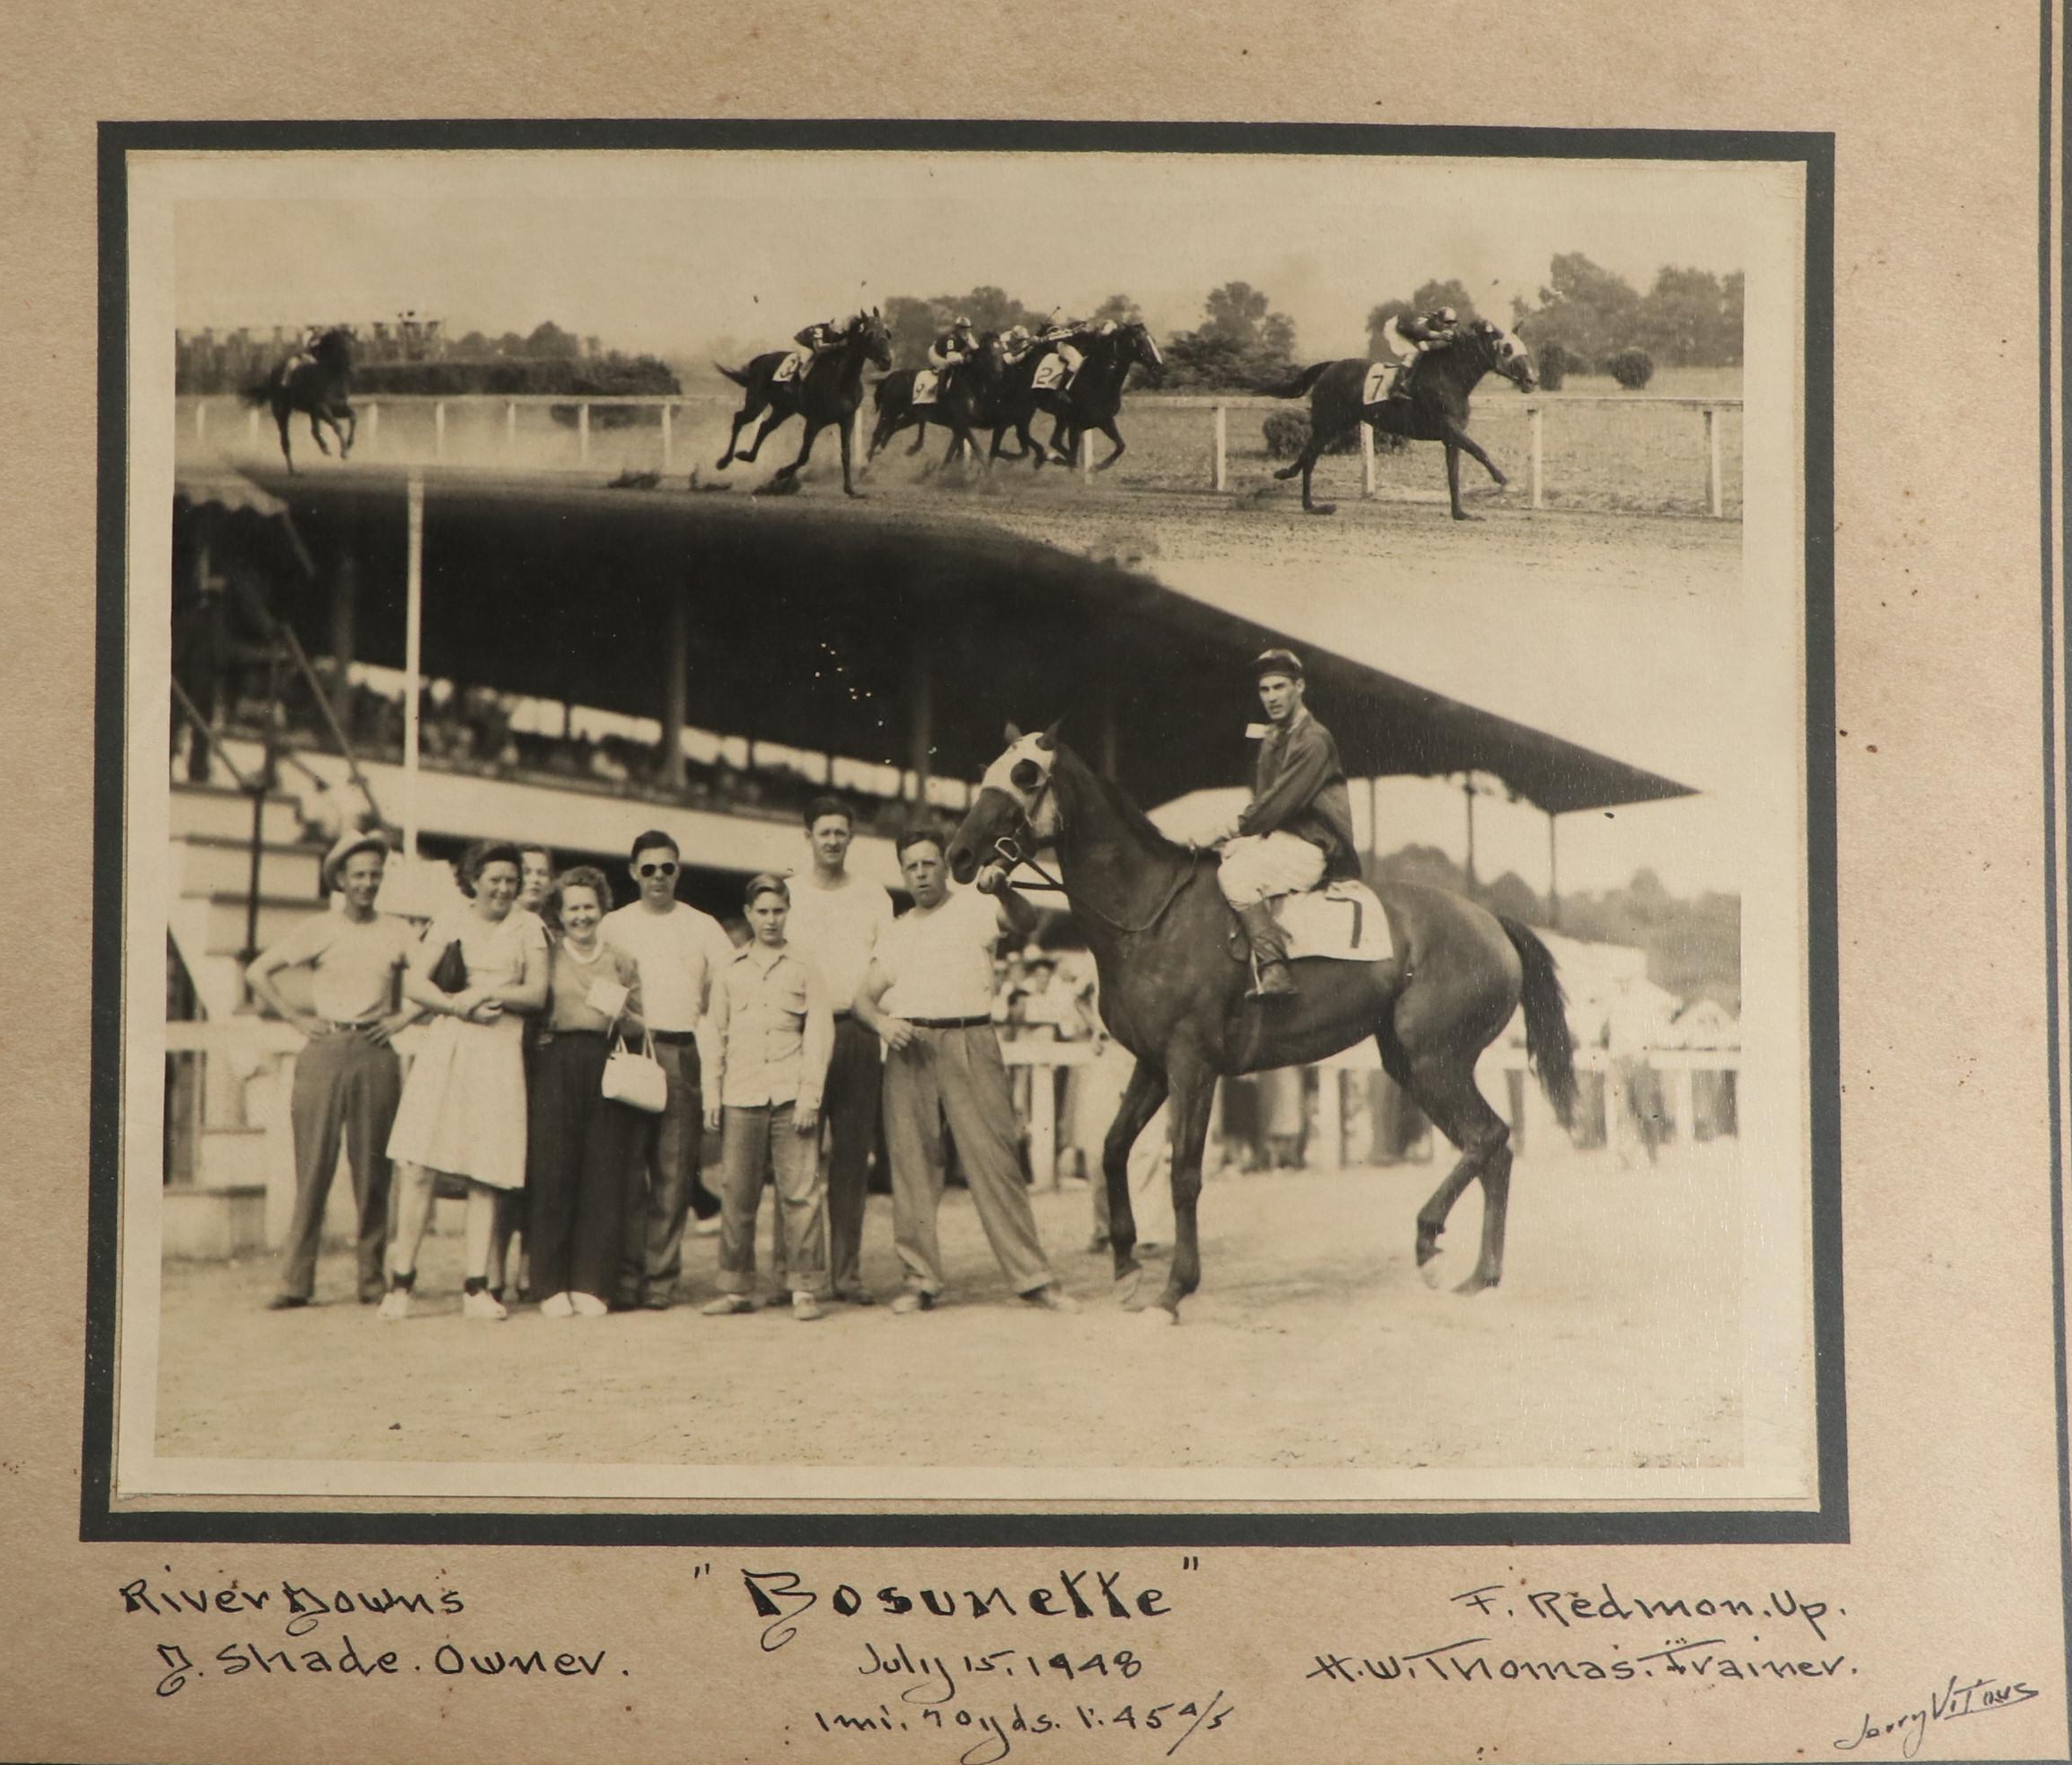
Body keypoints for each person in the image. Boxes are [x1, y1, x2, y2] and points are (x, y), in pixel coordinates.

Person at [854, 831, 1078, 1316]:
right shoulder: (897, 930)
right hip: (910, 1046)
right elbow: (862, 999)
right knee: (912, 1168)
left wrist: (1001, 888)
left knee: (997, 1161)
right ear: (902, 871)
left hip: (971, 1039)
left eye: (929, 864)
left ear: (943, 866)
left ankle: (1034, 1278)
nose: (921, 873)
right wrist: (884, 1022)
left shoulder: (974, 908)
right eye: (911, 866)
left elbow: (1026, 918)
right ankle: (920, 1280)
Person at [245, 830, 420, 1309]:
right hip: (323, 1050)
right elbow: (257, 971)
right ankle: (295, 1281)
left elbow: (432, 978)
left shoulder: (397, 930)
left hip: (374, 1050)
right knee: (313, 1168)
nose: (367, 883)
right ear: (340, 879)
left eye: (374, 875)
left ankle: (371, 1279)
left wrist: (404, 1016)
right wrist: (295, 1017)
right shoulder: (319, 928)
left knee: (374, 1171)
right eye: (358, 875)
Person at [382, 841, 548, 1320]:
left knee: (487, 1169)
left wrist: (487, 993)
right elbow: (415, 984)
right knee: (419, 1163)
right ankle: (401, 1284)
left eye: (511, 881)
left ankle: (476, 1287)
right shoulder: (450, 917)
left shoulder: (529, 926)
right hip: (449, 1044)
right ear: (474, 879)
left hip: (498, 1049)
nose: (503, 889)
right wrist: (456, 1005)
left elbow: (537, 993)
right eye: (494, 879)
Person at [602, 829, 733, 1309]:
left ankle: (660, 1279)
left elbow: (728, 985)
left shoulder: (702, 927)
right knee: (627, 1171)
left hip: (681, 1051)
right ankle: (626, 1277)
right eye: (649, 868)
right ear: (634, 872)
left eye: (668, 868)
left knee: (674, 1174)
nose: (659, 877)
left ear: (679, 871)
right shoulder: (613, 925)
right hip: (632, 1051)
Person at [700, 874, 836, 1322]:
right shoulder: (730, 969)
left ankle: (803, 1287)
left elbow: (819, 1033)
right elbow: (713, 1034)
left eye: (778, 910)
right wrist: (712, 1093)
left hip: (790, 1094)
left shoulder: (804, 966)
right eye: (762, 912)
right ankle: (736, 1287)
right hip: (741, 1093)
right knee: (737, 1193)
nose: (771, 920)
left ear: (787, 912)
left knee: (800, 1195)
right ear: (748, 914)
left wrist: (810, 1097)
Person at [780, 796, 894, 1304]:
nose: (832, 840)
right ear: (808, 837)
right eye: (823, 832)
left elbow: (884, 966)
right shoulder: (786, 894)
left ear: (851, 837)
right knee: (796, 1159)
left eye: (840, 832)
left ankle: (846, 1273)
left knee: (851, 1158)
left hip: (855, 1031)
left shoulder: (873, 897)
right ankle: (797, 1273)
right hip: (798, 1033)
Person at [525, 866, 646, 1318]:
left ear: (602, 909)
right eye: (572, 908)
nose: (581, 916)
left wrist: (620, 1013)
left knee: (603, 1172)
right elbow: (535, 1011)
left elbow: (640, 1021)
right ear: (559, 913)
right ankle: (550, 1283)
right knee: (554, 1171)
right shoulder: (548, 956)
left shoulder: (620, 958)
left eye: (588, 908)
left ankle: (592, 1281)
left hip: (605, 1062)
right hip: (555, 1062)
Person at [1209, 648, 1359, 999]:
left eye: (1280, 687)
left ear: (1300, 687)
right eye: (1265, 690)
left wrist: (1225, 828)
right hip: (1280, 838)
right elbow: (1266, 804)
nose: (1272, 697)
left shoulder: (1314, 739)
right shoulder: (1274, 736)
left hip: (1313, 845)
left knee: (1234, 875)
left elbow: (1276, 802)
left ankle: (1274, 967)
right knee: (1224, 855)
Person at [486, 842, 556, 1305]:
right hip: (497, 1046)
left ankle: (530, 1266)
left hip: (545, 1055)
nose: (532, 880)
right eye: (524, 872)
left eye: (540, 873)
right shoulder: (495, 929)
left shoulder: (555, 931)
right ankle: (491, 1266)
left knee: (538, 1163)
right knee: (495, 1160)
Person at [1386, 305, 1459, 401]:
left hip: (1412, 333)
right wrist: (1439, 335)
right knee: (1413, 352)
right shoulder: (1424, 322)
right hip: (1395, 329)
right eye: (1447, 323)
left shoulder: (1439, 324)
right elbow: (1418, 332)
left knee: (1428, 351)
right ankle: (1397, 388)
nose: (1450, 326)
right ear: (1438, 321)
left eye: (1453, 323)